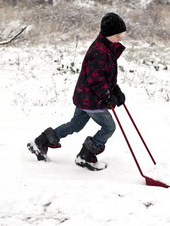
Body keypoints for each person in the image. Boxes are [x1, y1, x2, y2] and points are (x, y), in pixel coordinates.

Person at [27, 12, 127, 171]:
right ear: (108, 34)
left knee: (75, 125)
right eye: (117, 35)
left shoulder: (105, 48)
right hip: (92, 100)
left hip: (85, 97)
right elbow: (96, 79)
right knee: (109, 127)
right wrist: (108, 96)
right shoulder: (100, 51)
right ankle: (86, 156)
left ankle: (42, 141)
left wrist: (116, 90)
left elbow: (104, 75)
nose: (120, 38)